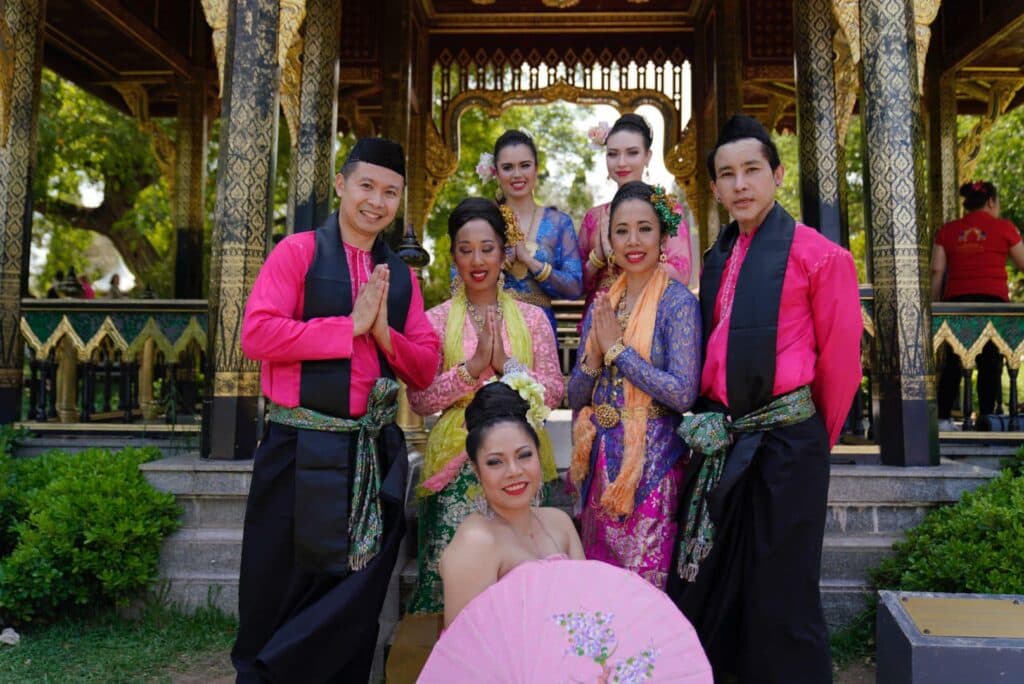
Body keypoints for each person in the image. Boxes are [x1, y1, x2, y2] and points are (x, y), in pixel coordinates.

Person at [232, 138, 441, 683]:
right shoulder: (297, 252)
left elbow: (424, 366)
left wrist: (382, 334)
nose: (376, 201)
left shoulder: (402, 277)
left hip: (367, 454)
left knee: (354, 596)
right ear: (341, 185)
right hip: (297, 448)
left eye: (390, 192)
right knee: (280, 584)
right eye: (366, 186)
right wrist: (346, 328)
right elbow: (256, 333)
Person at [666, 115, 862, 683]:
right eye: (727, 174)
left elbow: (841, 367)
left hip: (786, 442)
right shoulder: (719, 256)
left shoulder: (820, 256)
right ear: (717, 188)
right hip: (726, 437)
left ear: (777, 174)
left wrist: (805, 440)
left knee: (782, 586)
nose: (740, 184)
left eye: (752, 169)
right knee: (717, 576)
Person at [406, 198, 565, 615]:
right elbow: (419, 397)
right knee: (457, 588)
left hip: (517, 460)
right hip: (455, 465)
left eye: (487, 248)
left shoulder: (531, 320)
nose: (477, 260)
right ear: (452, 254)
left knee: (522, 590)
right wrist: (471, 370)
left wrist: (507, 369)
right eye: (465, 249)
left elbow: (552, 392)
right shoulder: (436, 320)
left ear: (504, 252)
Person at [567, 181, 701, 591]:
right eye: (621, 231)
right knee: (601, 590)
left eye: (644, 228)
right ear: (609, 240)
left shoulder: (678, 304)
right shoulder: (603, 304)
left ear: (663, 235)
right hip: (601, 464)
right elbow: (574, 396)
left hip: (654, 466)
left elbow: (682, 393)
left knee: (646, 589)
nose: (633, 241)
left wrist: (618, 351)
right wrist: (592, 359)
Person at [439, 381, 585, 628]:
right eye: (496, 462)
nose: (514, 472)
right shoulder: (476, 541)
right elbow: (464, 648)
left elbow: (587, 609)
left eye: (524, 455)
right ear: (476, 470)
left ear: (539, 454)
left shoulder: (559, 522)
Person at [579, 114, 693, 320]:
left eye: (632, 153)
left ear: (647, 156)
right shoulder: (594, 217)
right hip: (600, 319)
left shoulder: (666, 208)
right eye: (613, 154)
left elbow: (682, 273)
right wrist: (597, 258)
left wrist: (628, 258)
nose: (621, 163)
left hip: (651, 317)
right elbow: (578, 284)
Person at [931, 181, 1024, 431]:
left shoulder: (948, 231)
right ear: (991, 201)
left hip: (956, 305)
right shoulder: (1005, 228)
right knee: (990, 362)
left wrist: (935, 308)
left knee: (952, 361)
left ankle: (942, 419)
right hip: (993, 305)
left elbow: (937, 271)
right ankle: (986, 417)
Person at [477, 129, 583, 337]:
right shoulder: (481, 220)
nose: (517, 175)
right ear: (495, 172)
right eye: (508, 168)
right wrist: (496, 265)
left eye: (524, 165)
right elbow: (457, 280)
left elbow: (574, 287)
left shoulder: (559, 223)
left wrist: (531, 262)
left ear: (536, 168)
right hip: (488, 327)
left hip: (539, 331)